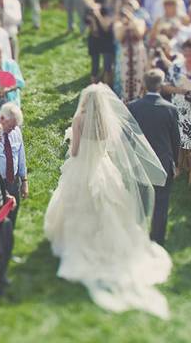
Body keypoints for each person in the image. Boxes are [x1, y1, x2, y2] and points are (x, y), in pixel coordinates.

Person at [44, 84, 171, 318]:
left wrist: (71, 138)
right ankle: (104, 243)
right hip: (103, 168)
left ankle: (80, 243)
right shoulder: (105, 120)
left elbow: (74, 152)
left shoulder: (80, 119)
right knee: (107, 208)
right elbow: (109, 149)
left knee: (77, 206)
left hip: (82, 167)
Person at [125, 70, 180, 247]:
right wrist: (176, 164)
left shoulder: (133, 106)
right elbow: (175, 140)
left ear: (144, 84)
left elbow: (128, 136)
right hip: (163, 162)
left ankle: (136, 236)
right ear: (161, 85)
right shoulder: (171, 109)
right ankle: (157, 240)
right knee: (161, 204)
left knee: (139, 202)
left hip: (139, 162)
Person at [0, 102, 28, 222]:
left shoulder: (16, 131)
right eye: (11, 126)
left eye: (15, 126)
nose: (13, 129)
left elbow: (21, 156)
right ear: (2, 118)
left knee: (12, 218)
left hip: (13, 181)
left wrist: (24, 181)